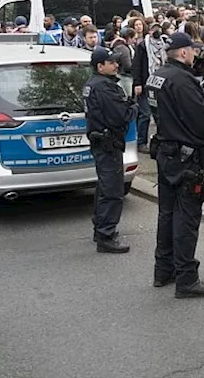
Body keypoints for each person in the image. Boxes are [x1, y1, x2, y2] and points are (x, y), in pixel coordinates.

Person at [146, 31, 204, 298]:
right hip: (185, 158)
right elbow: (203, 122)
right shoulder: (183, 81)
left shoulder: (157, 76)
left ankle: (163, 269)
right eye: (193, 50)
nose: (196, 54)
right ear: (185, 52)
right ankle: (186, 278)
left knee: (166, 214)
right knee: (186, 218)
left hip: (166, 153)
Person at [82, 47, 132, 254]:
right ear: (100, 66)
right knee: (112, 190)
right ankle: (106, 234)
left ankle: (100, 227)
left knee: (105, 187)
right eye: (111, 63)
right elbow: (120, 116)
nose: (116, 65)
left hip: (101, 141)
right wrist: (132, 106)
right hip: (108, 142)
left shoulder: (94, 84)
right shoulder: (104, 87)